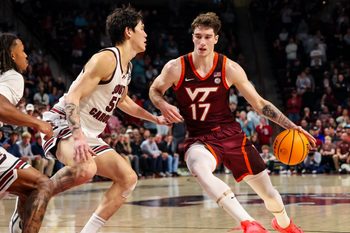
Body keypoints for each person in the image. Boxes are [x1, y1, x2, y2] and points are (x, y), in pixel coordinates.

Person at [149, 12, 316, 233]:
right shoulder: (176, 67)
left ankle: (283, 223)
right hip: (199, 138)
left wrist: (292, 126)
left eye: (208, 37)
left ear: (216, 39)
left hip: (231, 135)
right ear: (192, 37)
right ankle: (249, 223)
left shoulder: (229, 67)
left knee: (270, 195)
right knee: (199, 166)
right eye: (198, 36)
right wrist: (162, 104)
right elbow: (154, 90)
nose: (202, 42)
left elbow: (259, 103)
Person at [11, 6, 167, 233]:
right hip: (62, 123)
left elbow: (123, 101)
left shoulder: (127, 67)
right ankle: (33, 193)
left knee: (128, 178)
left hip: (88, 133)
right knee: (86, 169)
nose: (146, 34)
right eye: (142, 28)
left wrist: (155, 118)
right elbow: (73, 96)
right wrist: (78, 135)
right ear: (128, 32)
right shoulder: (105, 59)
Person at [0, 33, 53, 233]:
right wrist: (38, 123)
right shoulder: (13, 77)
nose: (27, 56)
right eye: (23, 51)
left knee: (28, 186)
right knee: (41, 185)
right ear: (12, 55)